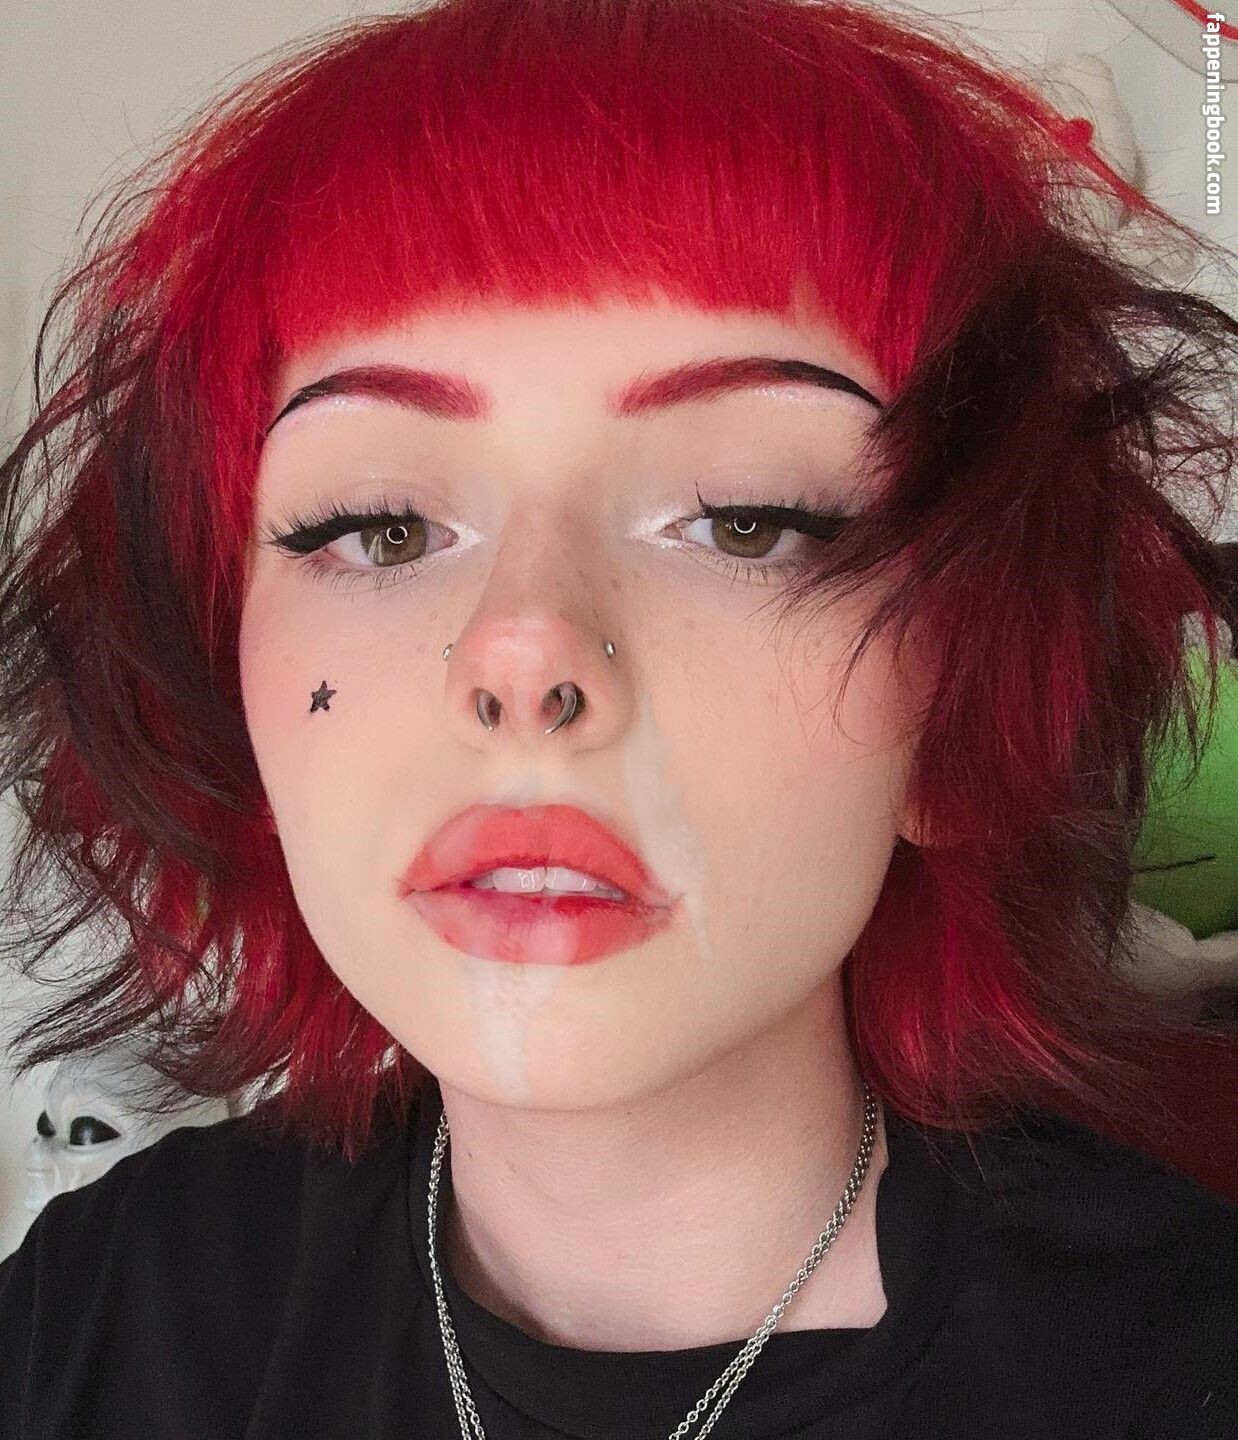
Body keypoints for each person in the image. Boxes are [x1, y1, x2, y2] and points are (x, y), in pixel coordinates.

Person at [0, 0, 1236, 1435]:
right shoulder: (96, 1310)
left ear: (960, 702)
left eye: (746, 519)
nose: (523, 654)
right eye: (381, 529)